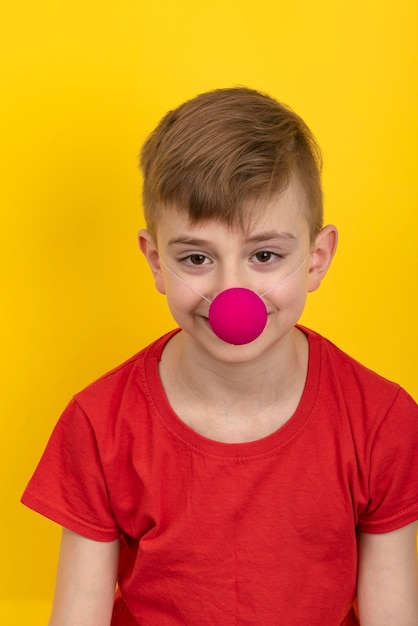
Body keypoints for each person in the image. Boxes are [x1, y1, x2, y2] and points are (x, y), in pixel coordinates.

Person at [22, 87, 418, 625]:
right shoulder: (100, 424)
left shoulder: (384, 422)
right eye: (196, 257)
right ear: (156, 262)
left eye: (263, 255)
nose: (232, 294)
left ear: (317, 258)